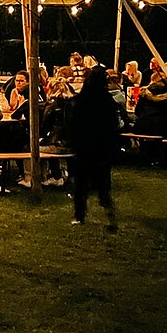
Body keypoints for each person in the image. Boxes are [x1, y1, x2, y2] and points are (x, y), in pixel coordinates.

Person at [67, 66, 121, 230]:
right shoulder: (108, 101)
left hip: (84, 147)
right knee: (103, 185)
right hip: (102, 148)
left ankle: (79, 216)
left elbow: (73, 124)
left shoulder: (81, 100)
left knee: (81, 185)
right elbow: (114, 124)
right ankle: (110, 216)